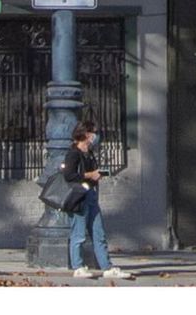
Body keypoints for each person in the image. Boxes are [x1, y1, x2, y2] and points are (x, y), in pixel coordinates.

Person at [62, 120, 131, 280]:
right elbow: (69, 175)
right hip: (78, 197)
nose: (96, 136)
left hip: (91, 195)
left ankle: (107, 267)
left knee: (98, 233)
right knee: (78, 234)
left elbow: (89, 172)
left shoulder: (89, 153)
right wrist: (89, 175)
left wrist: (96, 174)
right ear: (86, 134)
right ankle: (78, 267)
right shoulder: (73, 153)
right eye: (94, 133)